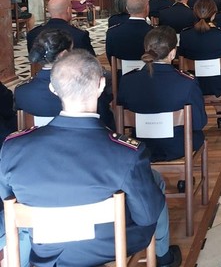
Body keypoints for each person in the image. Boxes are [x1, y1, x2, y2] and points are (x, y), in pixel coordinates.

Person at [0, 50, 181, 267]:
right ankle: (163, 258)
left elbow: (7, 203)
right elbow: (147, 216)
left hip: (42, 247)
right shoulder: (127, 153)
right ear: (101, 85)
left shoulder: (14, 147)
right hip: (108, 244)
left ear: (53, 88)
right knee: (152, 187)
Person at [118, 27, 207, 162]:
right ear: (172, 53)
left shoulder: (127, 80)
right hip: (178, 146)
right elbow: (199, 123)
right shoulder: (187, 82)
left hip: (140, 146)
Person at [15, 29, 115, 130]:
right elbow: (104, 119)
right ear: (63, 54)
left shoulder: (21, 92)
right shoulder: (87, 87)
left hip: (37, 143)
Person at [178, 0, 221, 97]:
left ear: (194, 13)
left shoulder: (185, 34)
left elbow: (182, 57)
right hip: (216, 83)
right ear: (214, 15)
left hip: (192, 82)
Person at [27, 0, 95, 55]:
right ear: (68, 10)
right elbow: (91, 61)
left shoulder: (32, 34)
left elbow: (34, 60)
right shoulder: (79, 35)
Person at [106, 0, 153, 64]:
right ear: (147, 8)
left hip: (122, 74)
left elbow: (111, 61)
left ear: (127, 9)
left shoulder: (112, 33)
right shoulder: (155, 33)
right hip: (150, 73)